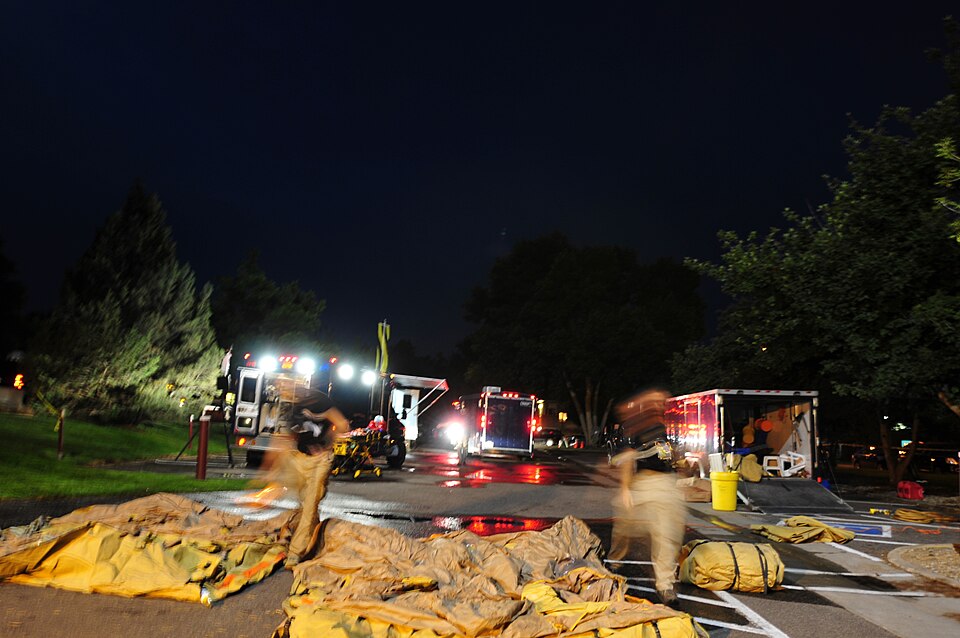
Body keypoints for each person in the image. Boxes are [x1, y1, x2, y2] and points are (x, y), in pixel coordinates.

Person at [608, 386, 686, 606]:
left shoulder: (662, 427)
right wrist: (625, 489)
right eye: (657, 402)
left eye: (662, 402)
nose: (661, 405)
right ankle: (614, 561)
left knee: (666, 534)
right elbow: (627, 458)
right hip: (642, 483)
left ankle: (665, 585)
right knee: (624, 527)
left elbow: (666, 455)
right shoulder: (635, 426)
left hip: (664, 484)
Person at [258, 386, 349, 568]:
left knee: (310, 504)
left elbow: (342, 424)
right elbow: (284, 440)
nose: (285, 391)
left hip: (320, 461)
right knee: (306, 503)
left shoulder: (321, 402)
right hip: (301, 459)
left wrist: (327, 444)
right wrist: (269, 469)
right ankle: (313, 543)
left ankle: (296, 553)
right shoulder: (295, 410)